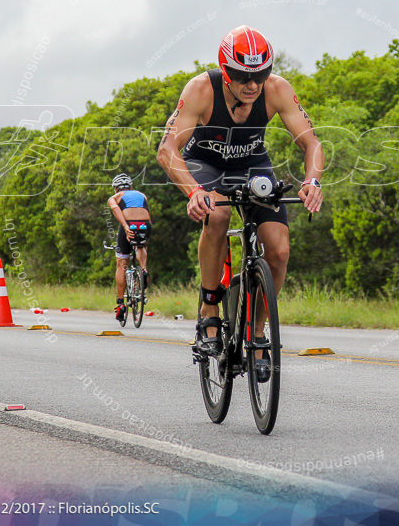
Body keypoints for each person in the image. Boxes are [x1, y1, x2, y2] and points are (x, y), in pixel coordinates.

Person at [156, 25, 324, 381]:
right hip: (206, 164)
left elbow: (312, 144)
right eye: (242, 76)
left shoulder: (277, 89)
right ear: (225, 70)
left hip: (252, 166)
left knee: (278, 251)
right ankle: (209, 307)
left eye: (259, 76)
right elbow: (167, 150)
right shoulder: (201, 89)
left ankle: (257, 330)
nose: (252, 85)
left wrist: (312, 180)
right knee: (215, 217)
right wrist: (193, 191)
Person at [107, 173, 151, 322]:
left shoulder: (114, 198)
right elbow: (147, 213)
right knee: (141, 246)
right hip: (145, 224)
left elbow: (116, 210)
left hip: (129, 224)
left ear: (115, 188)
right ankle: (143, 270)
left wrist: (126, 227)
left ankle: (120, 304)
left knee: (121, 263)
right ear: (130, 186)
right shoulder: (142, 195)